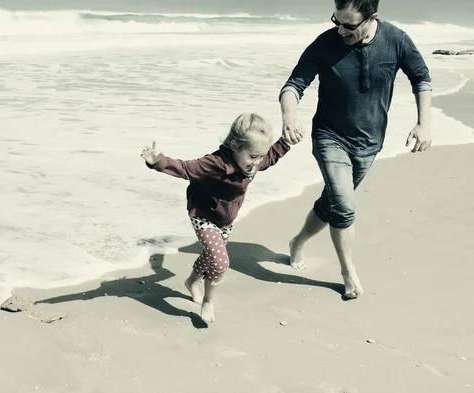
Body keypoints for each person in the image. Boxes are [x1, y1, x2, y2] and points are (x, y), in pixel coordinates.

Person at [278, 0, 432, 299]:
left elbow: (421, 78)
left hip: (370, 143)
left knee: (333, 202)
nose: (340, 29)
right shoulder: (325, 44)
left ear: (372, 17)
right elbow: (294, 85)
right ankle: (348, 272)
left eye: (349, 25)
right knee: (345, 205)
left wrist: (423, 124)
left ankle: (297, 242)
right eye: (336, 20)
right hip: (329, 137)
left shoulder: (396, 39)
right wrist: (289, 116)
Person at [141, 113, 293, 323]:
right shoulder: (215, 163)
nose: (257, 162)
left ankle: (192, 282)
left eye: (260, 156)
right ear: (234, 146)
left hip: (226, 219)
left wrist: (286, 142)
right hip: (203, 214)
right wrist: (158, 161)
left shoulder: (254, 161)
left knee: (209, 256)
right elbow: (186, 168)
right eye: (252, 156)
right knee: (220, 261)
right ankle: (209, 301)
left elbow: (271, 156)